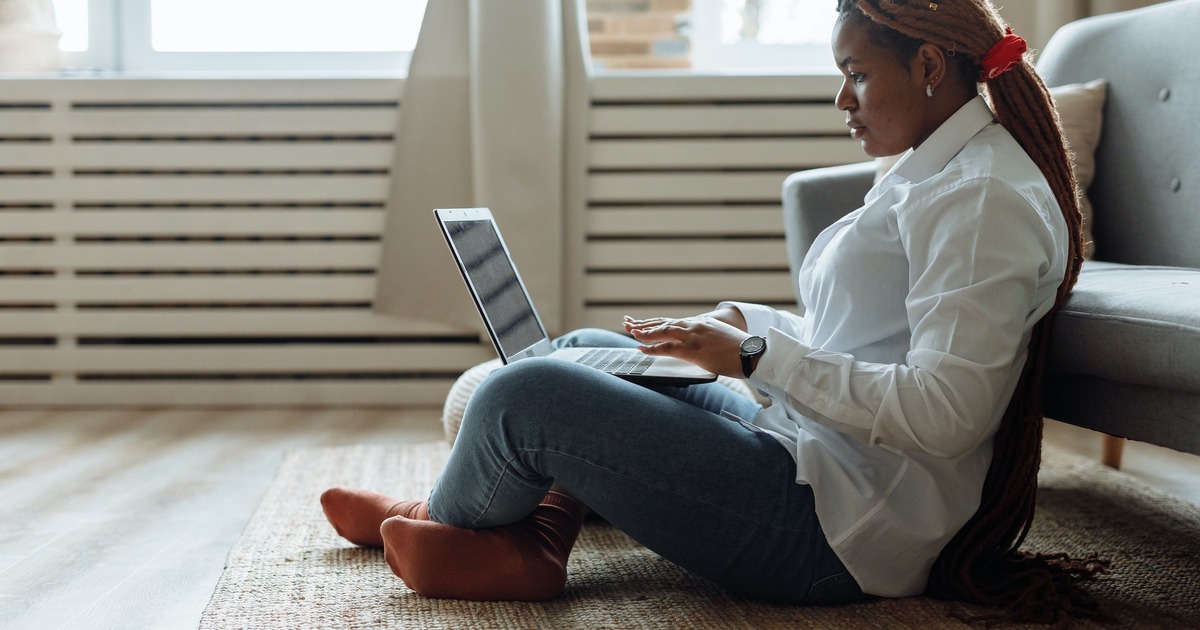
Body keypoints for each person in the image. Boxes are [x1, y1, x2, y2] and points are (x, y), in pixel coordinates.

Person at [320, 0, 1106, 623]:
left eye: (857, 75)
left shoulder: (978, 202)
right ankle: (528, 541)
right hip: (809, 454)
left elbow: (947, 413)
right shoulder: (938, 171)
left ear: (930, 64)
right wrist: (741, 324)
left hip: (836, 533)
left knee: (518, 395)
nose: (842, 99)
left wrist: (756, 357)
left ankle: (456, 519)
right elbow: (865, 342)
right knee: (580, 348)